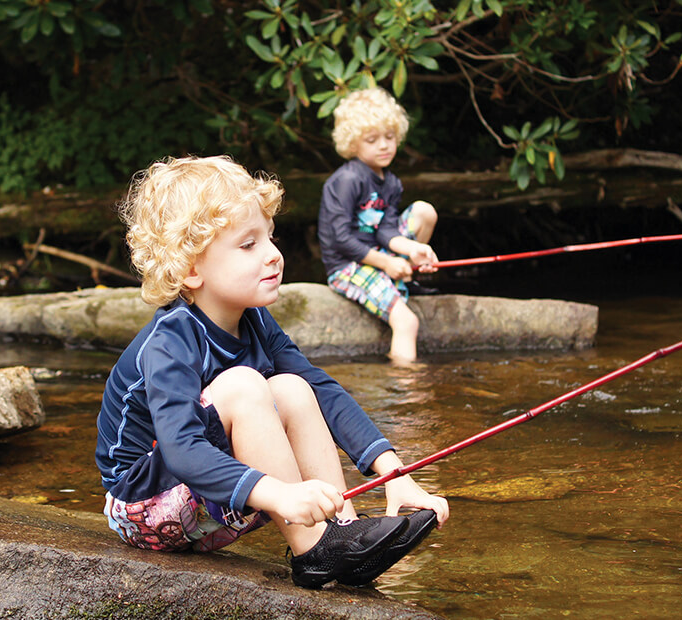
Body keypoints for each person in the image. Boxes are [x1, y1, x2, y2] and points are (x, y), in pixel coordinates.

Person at [96, 155, 449, 589]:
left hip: (207, 490)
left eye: (270, 237)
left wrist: (395, 475)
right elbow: (181, 448)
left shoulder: (256, 322)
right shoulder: (172, 339)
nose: (274, 255)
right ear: (190, 270)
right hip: (143, 506)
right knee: (246, 386)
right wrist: (280, 494)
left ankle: (340, 531)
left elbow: (323, 391)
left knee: (295, 388)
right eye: (249, 245)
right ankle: (316, 548)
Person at [318, 87, 440, 363]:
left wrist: (412, 249)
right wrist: (385, 264)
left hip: (377, 255)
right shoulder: (347, 180)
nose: (384, 145)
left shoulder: (391, 183)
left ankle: (407, 277)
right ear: (353, 144)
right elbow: (339, 238)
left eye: (390, 137)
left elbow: (386, 230)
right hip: (348, 266)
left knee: (424, 212)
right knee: (407, 322)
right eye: (372, 140)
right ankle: (405, 391)